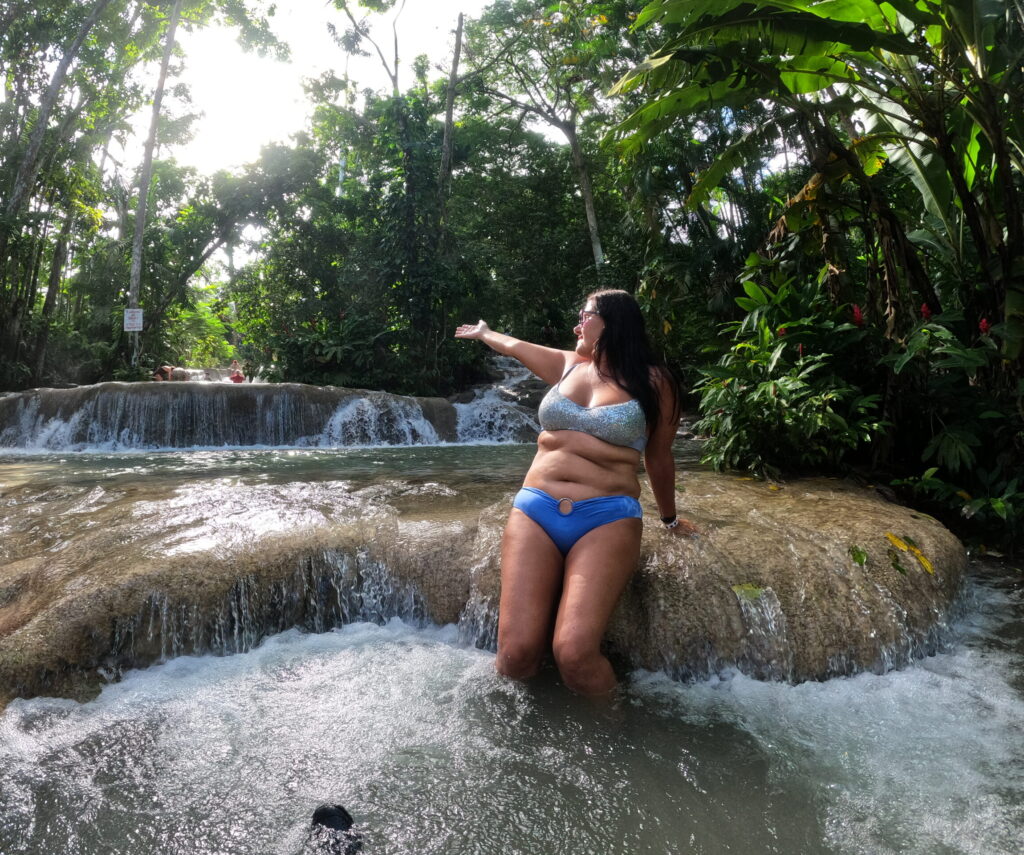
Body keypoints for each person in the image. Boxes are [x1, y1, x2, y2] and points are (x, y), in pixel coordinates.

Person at [455, 289, 694, 697]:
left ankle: (615, 731)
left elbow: (659, 457)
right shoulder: (568, 365)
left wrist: (669, 519)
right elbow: (515, 346)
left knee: (574, 655)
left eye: (584, 317)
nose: (576, 326)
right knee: (515, 656)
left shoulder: (656, 382)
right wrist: (484, 333)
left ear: (614, 321)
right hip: (536, 509)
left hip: (607, 516)